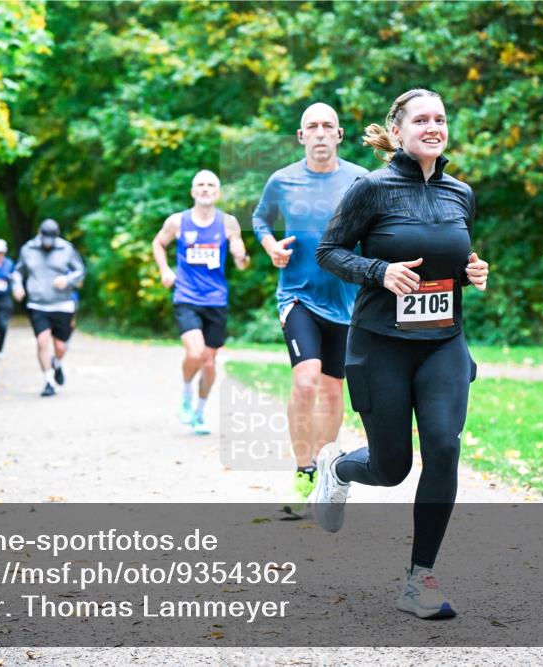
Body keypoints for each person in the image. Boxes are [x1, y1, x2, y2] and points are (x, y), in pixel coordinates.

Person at [313, 89, 490, 619]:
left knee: (444, 447)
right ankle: (339, 468)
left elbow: (451, 259)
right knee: (392, 468)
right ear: (399, 129)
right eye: (421, 119)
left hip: (442, 343)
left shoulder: (462, 193)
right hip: (380, 345)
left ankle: (420, 579)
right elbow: (329, 252)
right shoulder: (371, 189)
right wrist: (378, 271)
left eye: (440, 118)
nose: (433, 126)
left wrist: (470, 272)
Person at [252, 103, 368, 509]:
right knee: (306, 380)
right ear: (301, 136)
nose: (320, 133)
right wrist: (270, 246)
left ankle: (325, 474)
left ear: (339, 135)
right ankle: (303, 472)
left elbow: (382, 226)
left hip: (346, 301)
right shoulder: (281, 181)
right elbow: (260, 220)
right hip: (298, 296)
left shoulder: (360, 180)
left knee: (334, 390)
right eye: (312, 127)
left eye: (327, 127)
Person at [152, 170, 249, 434]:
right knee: (194, 353)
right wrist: (164, 270)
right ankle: (185, 394)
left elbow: (241, 261)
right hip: (187, 295)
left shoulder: (228, 223)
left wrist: (241, 257)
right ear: (193, 191)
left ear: (217, 192)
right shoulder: (178, 221)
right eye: (200, 185)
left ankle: (199, 412)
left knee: (209, 362)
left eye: (210, 185)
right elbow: (158, 243)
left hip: (216, 299)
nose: (205, 189)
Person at [11, 219, 86, 397]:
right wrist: (17, 286)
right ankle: (48, 381)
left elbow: (80, 270)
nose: (48, 243)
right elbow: (17, 271)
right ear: (40, 234)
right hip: (37, 303)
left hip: (62, 303)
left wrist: (67, 280)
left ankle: (57, 363)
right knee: (42, 341)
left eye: (51, 239)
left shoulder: (66, 249)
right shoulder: (28, 249)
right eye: (45, 239)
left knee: (60, 346)